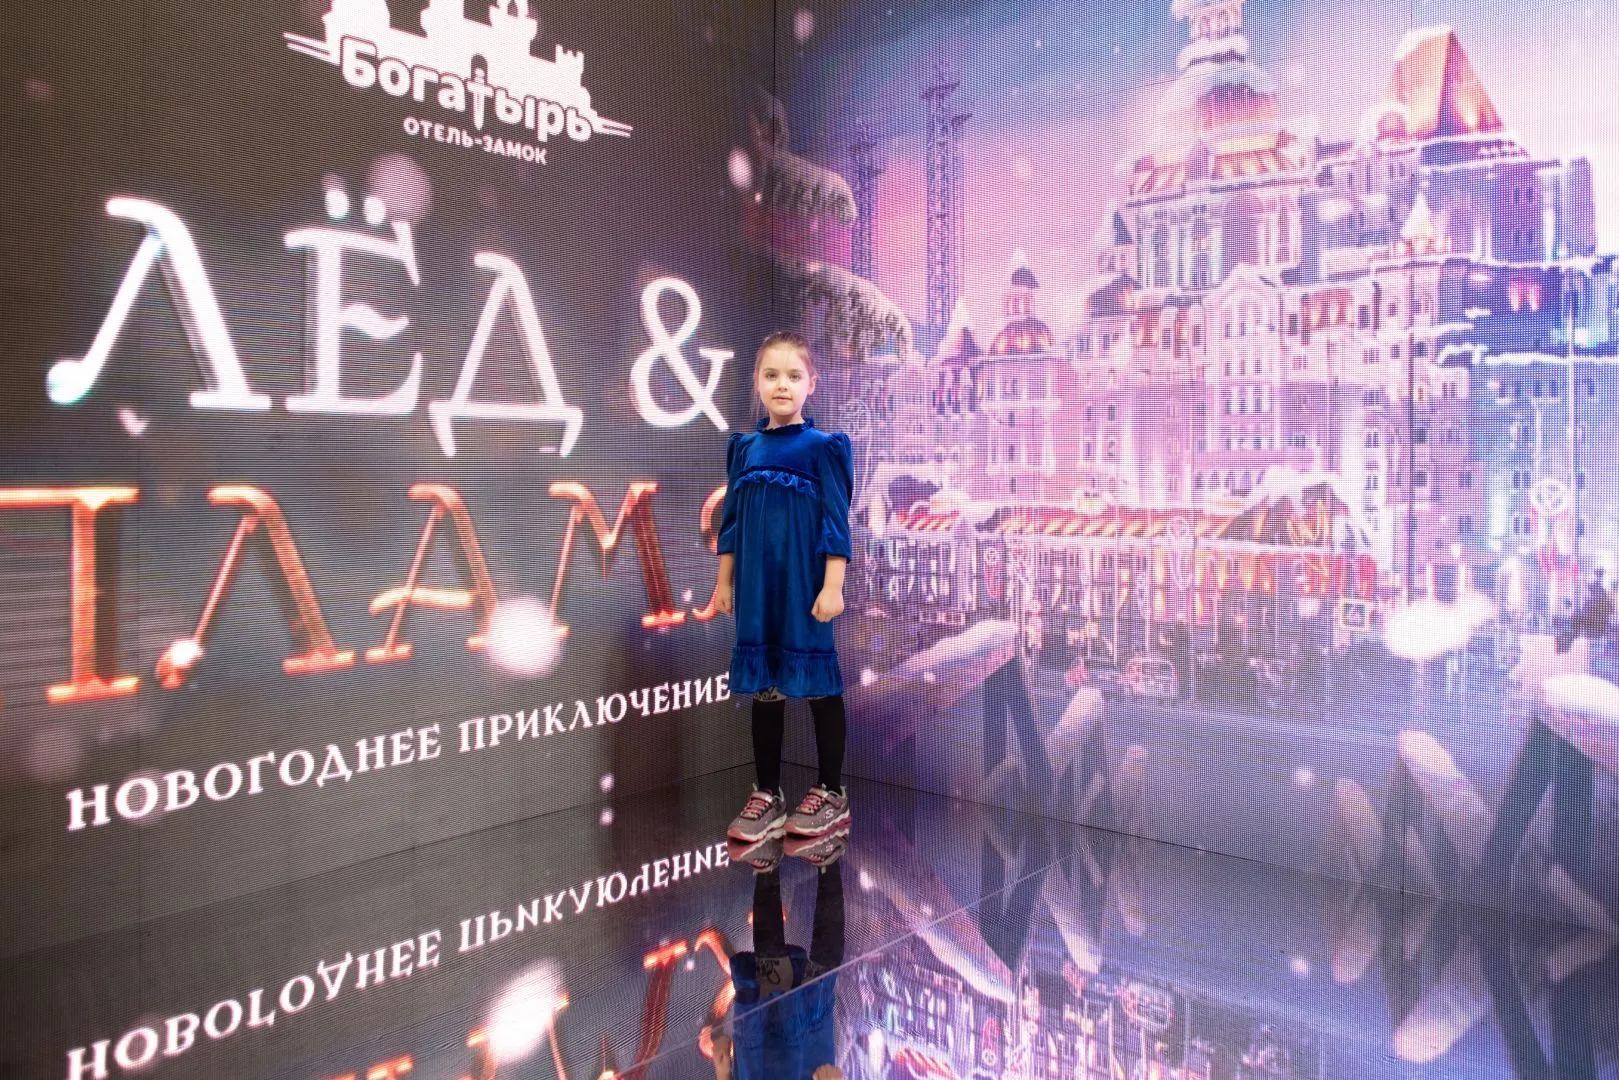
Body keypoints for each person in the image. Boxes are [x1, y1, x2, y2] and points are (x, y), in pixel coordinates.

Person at [714, 331, 854, 843]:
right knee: (766, 689)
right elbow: (732, 523)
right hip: (758, 591)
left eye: (793, 375)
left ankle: (831, 792)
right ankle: (768, 795)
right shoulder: (745, 449)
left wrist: (833, 585)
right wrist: (724, 581)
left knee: (819, 687)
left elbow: (835, 522)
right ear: (757, 382)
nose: (782, 384)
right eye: (771, 374)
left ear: (811, 383)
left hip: (804, 588)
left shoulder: (823, 449)